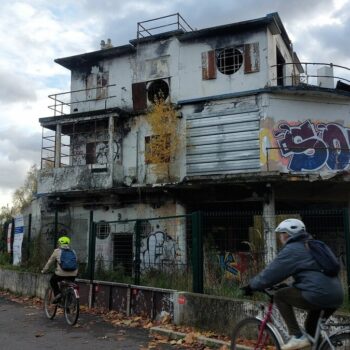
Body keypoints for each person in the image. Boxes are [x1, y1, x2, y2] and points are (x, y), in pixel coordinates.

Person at [242, 218, 344, 350]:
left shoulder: (293, 249)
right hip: (336, 295)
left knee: (280, 296)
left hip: (317, 294)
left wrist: (251, 286)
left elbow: (271, 274)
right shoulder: (313, 244)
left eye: (281, 233)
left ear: (287, 234)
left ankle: (297, 336)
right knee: (311, 327)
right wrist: (291, 286)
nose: (280, 237)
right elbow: (311, 274)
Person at [41, 236, 78, 303]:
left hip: (61, 274)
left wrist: (44, 270)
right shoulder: (73, 251)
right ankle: (68, 305)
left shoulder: (57, 251)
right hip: (73, 273)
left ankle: (57, 295)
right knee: (69, 285)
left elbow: (50, 262)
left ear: (60, 243)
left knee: (52, 281)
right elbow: (75, 261)